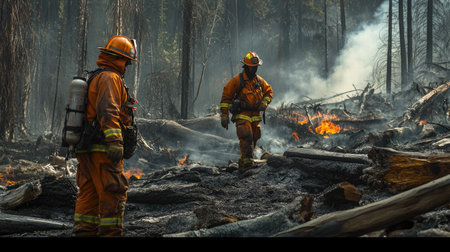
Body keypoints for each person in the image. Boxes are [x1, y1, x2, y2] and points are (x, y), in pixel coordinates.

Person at [72, 35, 137, 237]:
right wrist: (115, 141)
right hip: (103, 150)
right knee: (113, 192)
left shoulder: (97, 75)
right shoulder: (110, 78)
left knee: (89, 195)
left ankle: (85, 232)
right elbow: (108, 110)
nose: (127, 66)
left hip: (88, 149)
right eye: (127, 62)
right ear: (121, 59)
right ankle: (110, 233)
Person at [220, 51, 273, 172]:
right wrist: (224, 115)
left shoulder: (259, 81)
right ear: (246, 66)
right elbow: (225, 98)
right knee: (246, 137)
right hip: (242, 114)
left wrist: (265, 102)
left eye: (256, 67)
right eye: (252, 67)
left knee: (254, 138)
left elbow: (269, 92)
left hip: (255, 115)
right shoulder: (237, 81)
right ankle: (246, 167)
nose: (254, 69)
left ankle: (246, 163)